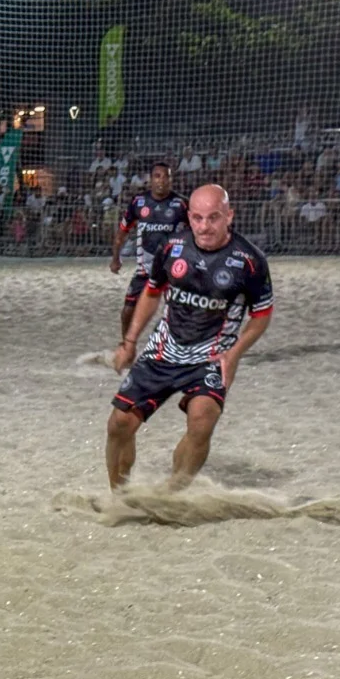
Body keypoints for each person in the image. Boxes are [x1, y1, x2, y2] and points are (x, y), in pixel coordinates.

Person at [107, 184, 273, 491]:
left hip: (212, 357)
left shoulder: (250, 260)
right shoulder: (172, 248)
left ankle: (172, 493)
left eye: (213, 218)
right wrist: (129, 342)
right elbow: (152, 292)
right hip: (164, 350)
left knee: (201, 421)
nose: (204, 226)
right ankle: (119, 496)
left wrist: (234, 353)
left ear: (229, 216)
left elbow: (262, 314)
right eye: (197, 218)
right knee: (119, 423)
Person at [109, 162, 188, 341]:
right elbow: (122, 232)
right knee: (128, 310)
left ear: (171, 180)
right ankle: (126, 343)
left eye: (166, 176)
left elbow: (197, 233)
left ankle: (182, 346)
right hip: (145, 270)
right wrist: (116, 258)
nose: (162, 180)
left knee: (181, 311)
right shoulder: (139, 202)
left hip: (173, 270)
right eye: (157, 176)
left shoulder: (181, 204)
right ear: (150, 180)